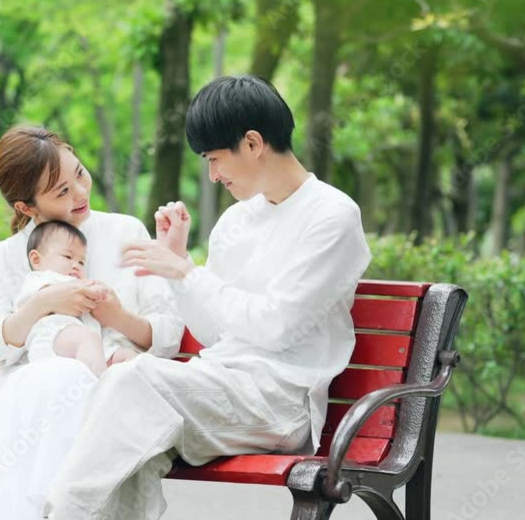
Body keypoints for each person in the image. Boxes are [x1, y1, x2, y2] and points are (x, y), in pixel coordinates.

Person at [44, 75, 373, 519]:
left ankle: (56, 512)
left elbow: (277, 328)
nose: (214, 175)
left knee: (131, 381)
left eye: (215, 159)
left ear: (253, 143)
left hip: (278, 402)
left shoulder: (332, 216)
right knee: (132, 448)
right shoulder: (236, 221)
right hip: (216, 385)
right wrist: (180, 266)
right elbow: (215, 334)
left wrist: (186, 273)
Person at [0, 126, 184, 520]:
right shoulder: (3, 258)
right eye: (62, 191)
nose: (80, 194)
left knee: (79, 389)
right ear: (26, 206)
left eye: (80, 174)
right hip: (31, 401)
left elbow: (168, 334)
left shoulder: (126, 233)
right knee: (60, 381)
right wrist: (41, 304)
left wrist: (116, 317)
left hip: (115, 394)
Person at [16, 220, 139, 376]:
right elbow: (40, 296)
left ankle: (128, 383)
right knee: (87, 339)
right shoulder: (40, 279)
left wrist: (101, 296)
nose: (76, 265)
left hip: (92, 345)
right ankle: (102, 387)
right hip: (53, 339)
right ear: (36, 260)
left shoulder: (79, 283)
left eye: (81, 262)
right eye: (68, 256)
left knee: (124, 354)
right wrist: (89, 290)